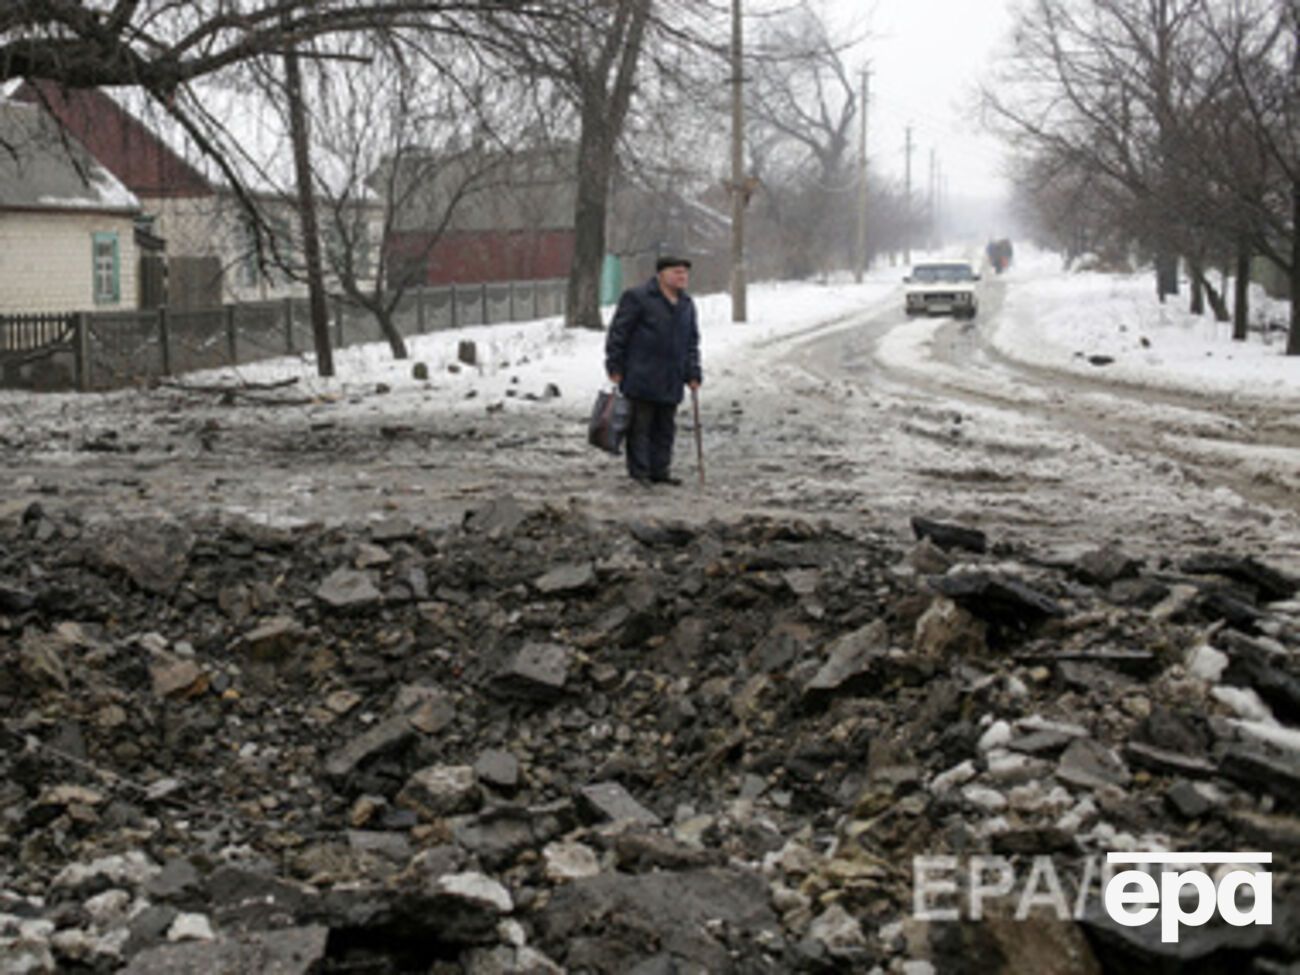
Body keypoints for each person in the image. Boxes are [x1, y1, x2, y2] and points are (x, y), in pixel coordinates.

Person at [604, 255, 702, 486]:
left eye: (685, 273)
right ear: (661, 274)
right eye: (676, 272)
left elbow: (691, 342)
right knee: (640, 427)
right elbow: (619, 334)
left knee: (665, 427)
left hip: (671, 376)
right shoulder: (637, 297)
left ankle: (661, 470)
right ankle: (640, 473)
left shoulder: (686, 304)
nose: (682, 277)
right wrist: (614, 365)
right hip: (641, 374)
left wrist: (693, 372)